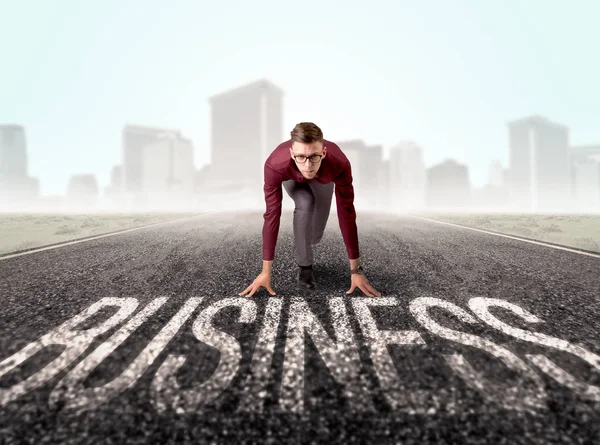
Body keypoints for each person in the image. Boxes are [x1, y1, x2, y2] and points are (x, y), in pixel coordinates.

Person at [239, 122, 381, 298]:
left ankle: (309, 239)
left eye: (314, 156)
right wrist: (265, 272)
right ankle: (305, 269)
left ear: (324, 153)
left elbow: (347, 213)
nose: (307, 165)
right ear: (292, 154)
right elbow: (271, 215)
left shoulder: (339, 163)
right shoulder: (275, 165)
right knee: (305, 203)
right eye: (300, 156)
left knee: (314, 235)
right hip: (292, 179)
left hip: (323, 179)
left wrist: (356, 271)